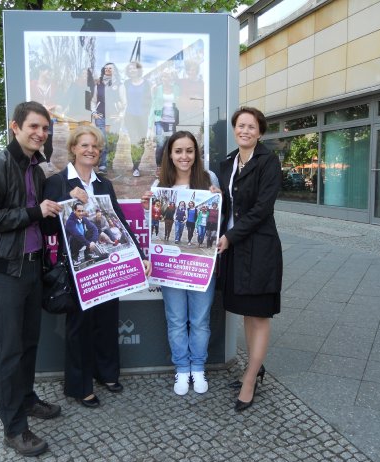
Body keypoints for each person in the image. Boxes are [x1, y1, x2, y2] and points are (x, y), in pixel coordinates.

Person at [0, 101, 63, 457]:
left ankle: (26, 399)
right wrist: (34, 211)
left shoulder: (36, 167)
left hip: (31, 268)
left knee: (28, 344)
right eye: (34, 127)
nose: (40, 133)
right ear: (15, 127)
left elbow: (41, 213)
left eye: (44, 128)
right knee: (8, 351)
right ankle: (14, 428)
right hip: (6, 271)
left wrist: (61, 204)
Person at [43, 125, 151, 408]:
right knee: (79, 326)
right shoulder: (58, 182)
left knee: (106, 320)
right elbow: (46, 224)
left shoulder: (103, 184)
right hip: (77, 266)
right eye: (85, 145)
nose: (90, 150)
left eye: (96, 147)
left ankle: (106, 373)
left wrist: (139, 255)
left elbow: (119, 224)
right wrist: (68, 201)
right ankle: (79, 386)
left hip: (106, 265)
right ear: (74, 149)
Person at [140, 130, 221, 395]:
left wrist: (218, 199)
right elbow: (154, 227)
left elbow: (220, 220)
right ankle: (181, 369)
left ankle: (198, 367)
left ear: (196, 153)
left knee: (199, 320)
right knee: (176, 320)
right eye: (178, 151)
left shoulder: (209, 179)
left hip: (200, 266)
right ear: (170, 155)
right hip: (171, 267)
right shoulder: (159, 186)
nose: (184, 156)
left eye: (189, 150)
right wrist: (147, 209)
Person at [216, 107, 283, 412]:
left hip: (259, 247)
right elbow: (223, 204)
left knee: (259, 314)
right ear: (235, 129)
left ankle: (249, 378)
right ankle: (255, 369)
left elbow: (261, 209)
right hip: (235, 248)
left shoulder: (268, 161)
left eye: (251, 127)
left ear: (260, 131)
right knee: (245, 311)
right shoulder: (228, 162)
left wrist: (229, 237)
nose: (245, 131)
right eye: (240, 126)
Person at [91, 63, 126, 174]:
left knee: (112, 141)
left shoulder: (120, 85)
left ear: (114, 70)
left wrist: (120, 116)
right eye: (106, 68)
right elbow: (93, 101)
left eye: (110, 68)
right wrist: (94, 113)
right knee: (103, 141)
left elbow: (125, 103)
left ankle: (109, 161)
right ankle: (103, 165)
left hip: (114, 118)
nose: (107, 70)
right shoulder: (99, 85)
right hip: (100, 116)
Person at [123, 61, 152, 177]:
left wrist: (149, 114)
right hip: (130, 116)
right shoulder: (126, 83)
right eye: (129, 69)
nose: (132, 70)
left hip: (143, 117)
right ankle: (136, 167)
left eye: (134, 68)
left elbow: (150, 100)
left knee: (141, 142)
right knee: (134, 141)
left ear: (138, 70)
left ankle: (137, 163)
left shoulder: (146, 84)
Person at [150, 68, 180, 176]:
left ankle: (169, 167)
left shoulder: (176, 88)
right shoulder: (157, 89)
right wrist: (150, 123)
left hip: (172, 121)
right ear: (161, 78)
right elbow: (153, 105)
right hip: (160, 121)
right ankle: (159, 167)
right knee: (161, 144)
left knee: (170, 144)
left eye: (168, 76)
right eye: (164, 76)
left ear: (171, 77)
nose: (166, 78)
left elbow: (180, 102)